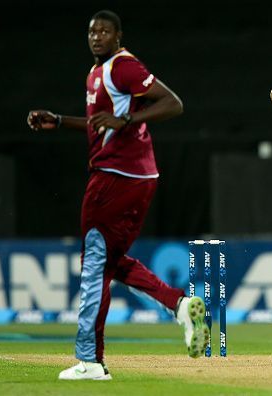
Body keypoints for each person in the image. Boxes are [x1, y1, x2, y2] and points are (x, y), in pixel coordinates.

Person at [27, 10, 209, 380]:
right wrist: (60, 121)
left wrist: (127, 121)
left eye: (105, 31)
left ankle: (90, 360)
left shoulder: (121, 66)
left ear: (118, 35)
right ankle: (178, 304)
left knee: (95, 263)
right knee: (109, 259)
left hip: (115, 177)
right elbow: (100, 125)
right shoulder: (96, 74)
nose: (97, 36)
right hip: (135, 177)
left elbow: (173, 103)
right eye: (92, 30)